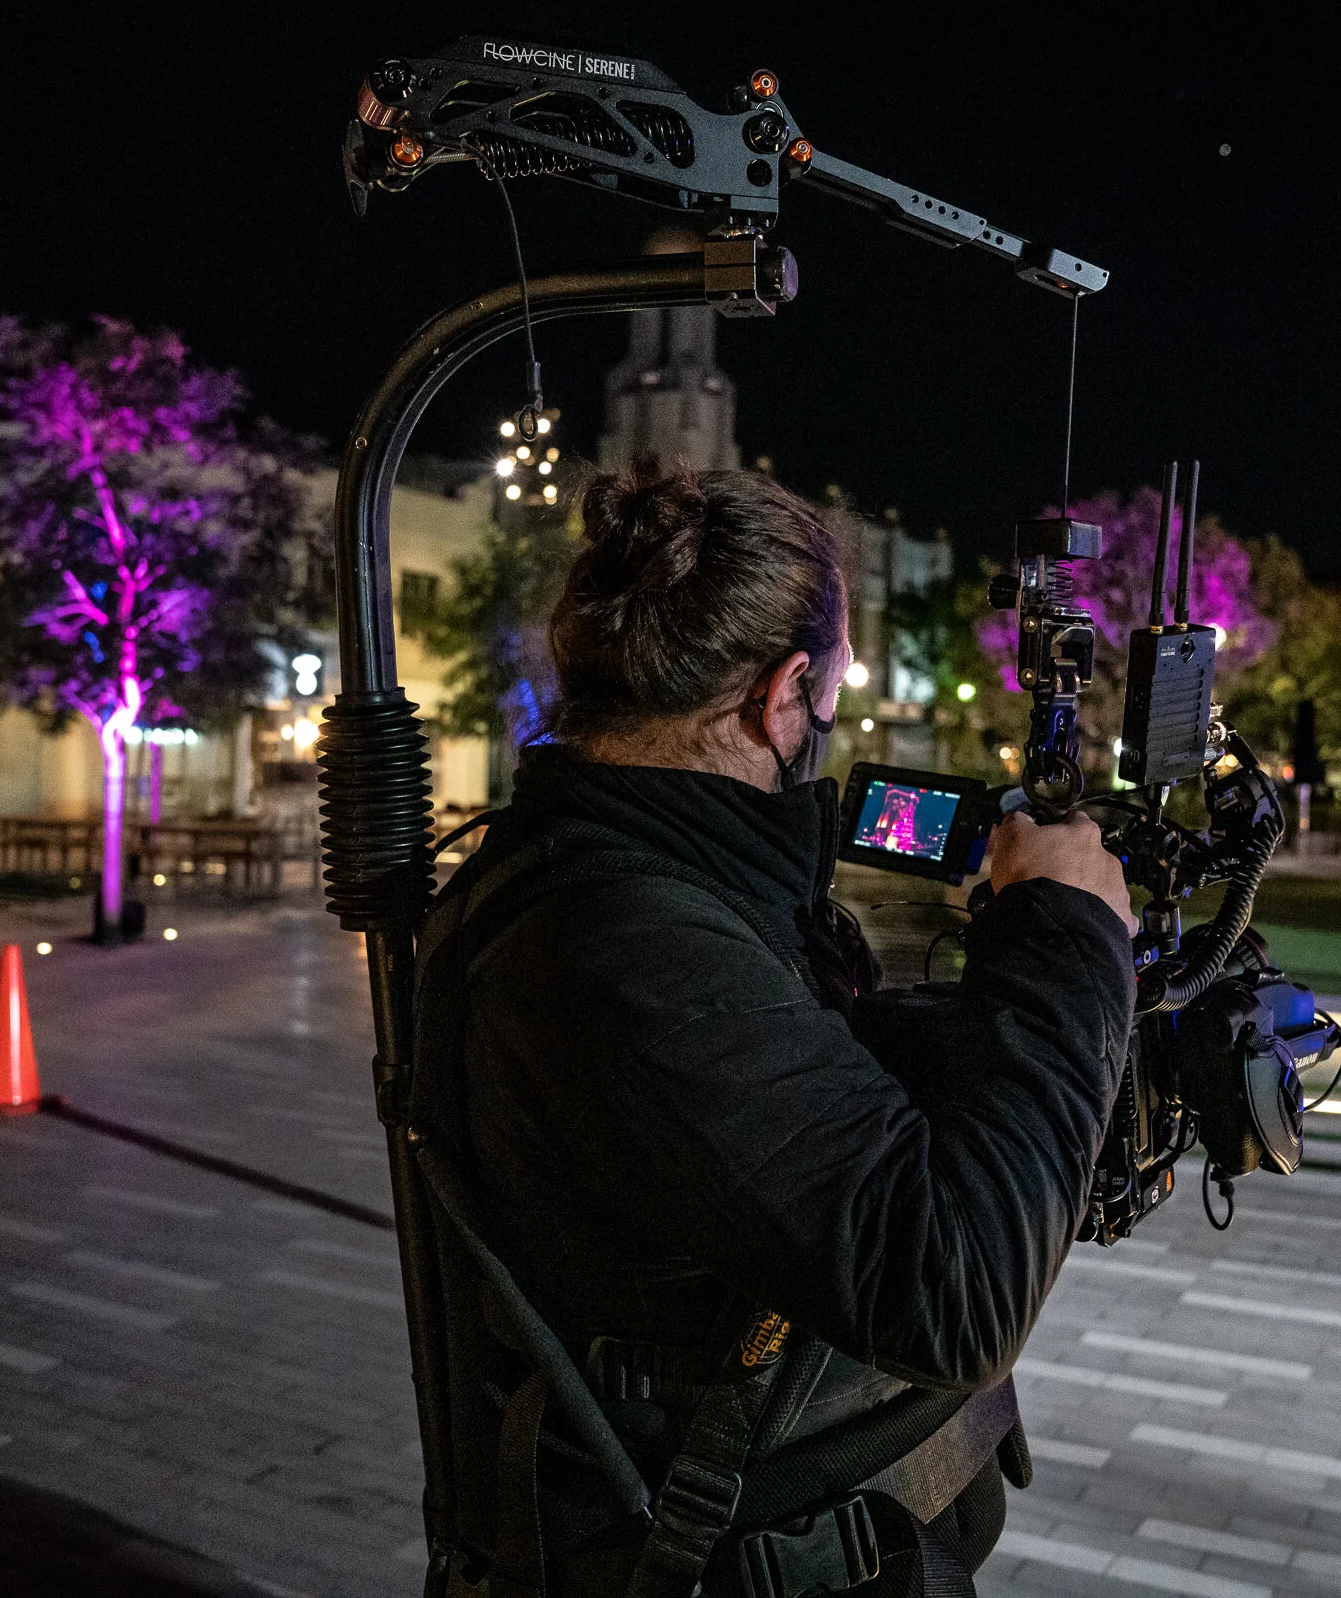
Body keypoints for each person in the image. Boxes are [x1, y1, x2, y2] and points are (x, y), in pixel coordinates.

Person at [411, 466, 1136, 1598]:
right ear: (783, 693)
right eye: (835, 686)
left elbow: (790, 1102)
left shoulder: (654, 884)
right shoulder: (625, 946)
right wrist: (1068, 937)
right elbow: (956, 1294)